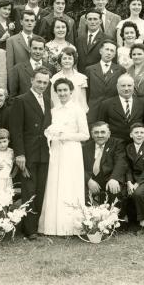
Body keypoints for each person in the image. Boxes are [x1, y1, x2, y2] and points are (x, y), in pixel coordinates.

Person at [38, 77, 89, 236]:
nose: (62, 93)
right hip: (56, 151)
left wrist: (64, 135)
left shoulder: (78, 109)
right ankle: (53, 226)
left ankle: (71, 225)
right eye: (59, 90)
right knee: (55, 183)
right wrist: (50, 134)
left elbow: (85, 135)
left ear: (71, 91)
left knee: (69, 183)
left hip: (71, 150)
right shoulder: (53, 111)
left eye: (65, 90)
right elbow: (48, 130)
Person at [9, 67, 52, 240]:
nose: (42, 85)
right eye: (39, 81)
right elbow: (16, 129)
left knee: (41, 190)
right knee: (29, 190)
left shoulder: (48, 100)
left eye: (45, 83)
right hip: (28, 153)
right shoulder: (21, 100)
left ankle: (35, 226)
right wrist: (20, 154)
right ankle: (28, 230)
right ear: (32, 80)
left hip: (45, 153)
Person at [82, 121, 125, 218]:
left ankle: (112, 220)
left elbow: (121, 162)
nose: (99, 135)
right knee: (81, 191)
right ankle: (90, 220)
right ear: (92, 134)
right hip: (92, 180)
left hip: (109, 179)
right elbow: (79, 166)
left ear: (109, 133)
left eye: (103, 132)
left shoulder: (117, 144)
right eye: (96, 132)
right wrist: (88, 180)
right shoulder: (86, 147)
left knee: (115, 189)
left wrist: (114, 178)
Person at [123, 123, 144, 234]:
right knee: (124, 192)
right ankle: (129, 220)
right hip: (131, 178)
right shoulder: (128, 148)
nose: (139, 135)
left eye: (142, 132)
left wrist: (137, 184)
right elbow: (127, 167)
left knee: (137, 193)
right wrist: (129, 182)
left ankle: (143, 222)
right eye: (136, 132)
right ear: (131, 135)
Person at [98, 74, 144, 145]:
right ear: (117, 87)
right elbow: (102, 126)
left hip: (136, 144)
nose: (126, 88)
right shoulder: (106, 104)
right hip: (115, 145)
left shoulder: (143, 103)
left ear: (133, 86)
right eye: (123, 86)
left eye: (129, 85)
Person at [85, 40, 124, 123]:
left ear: (114, 55)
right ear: (100, 51)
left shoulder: (120, 70)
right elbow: (86, 92)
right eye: (107, 49)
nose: (109, 53)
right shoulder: (90, 70)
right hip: (93, 109)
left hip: (112, 110)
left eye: (112, 51)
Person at [50, 46, 88, 111]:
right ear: (60, 60)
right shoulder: (55, 78)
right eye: (64, 58)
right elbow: (53, 100)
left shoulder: (81, 78)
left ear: (74, 60)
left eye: (70, 58)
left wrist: (83, 113)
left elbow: (83, 100)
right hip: (60, 113)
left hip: (77, 113)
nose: (67, 61)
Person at [77, 9, 108, 73]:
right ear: (86, 21)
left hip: (98, 77)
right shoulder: (79, 40)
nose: (92, 22)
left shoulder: (107, 40)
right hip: (81, 77)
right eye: (90, 19)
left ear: (100, 21)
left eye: (95, 19)